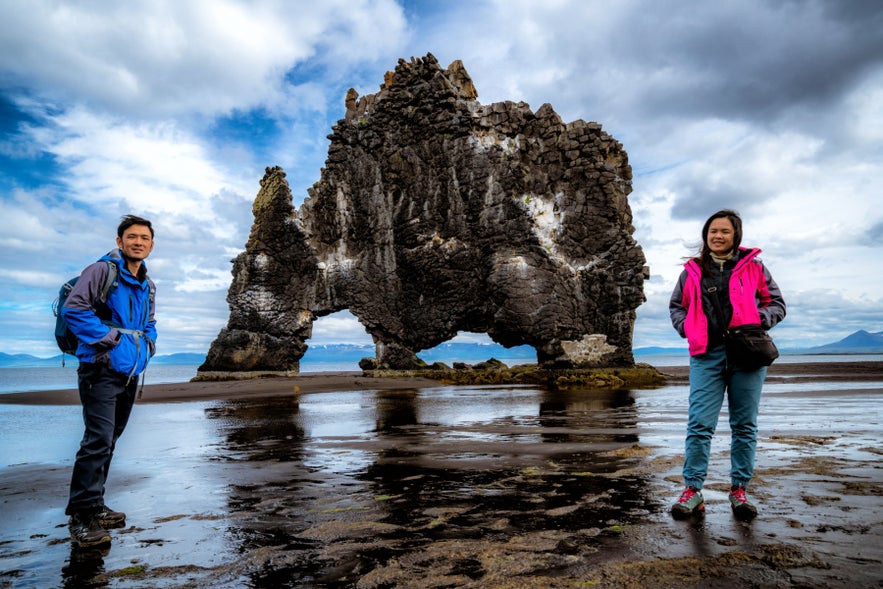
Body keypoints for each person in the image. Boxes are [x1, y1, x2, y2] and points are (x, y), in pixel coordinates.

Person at [668, 209, 785, 520]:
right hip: (706, 354)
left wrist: (756, 320)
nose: (717, 236)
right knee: (699, 425)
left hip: (746, 352)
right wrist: (688, 328)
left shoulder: (755, 268)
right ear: (706, 236)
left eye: (724, 231)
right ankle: (693, 490)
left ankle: (739, 490)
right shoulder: (691, 271)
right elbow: (677, 306)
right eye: (712, 231)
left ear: (736, 236)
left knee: (744, 425)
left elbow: (776, 303)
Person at [62, 215, 157, 547]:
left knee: (110, 439)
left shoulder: (147, 284)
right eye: (131, 237)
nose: (138, 242)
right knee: (97, 440)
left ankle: (95, 504)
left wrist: (148, 347)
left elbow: (150, 322)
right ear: (119, 242)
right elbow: (74, 310)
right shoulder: (101, 271)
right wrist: (110, 340)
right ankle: (82, 517)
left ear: (151, 245)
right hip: (99, 369)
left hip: (129, 373)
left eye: (144, 238)